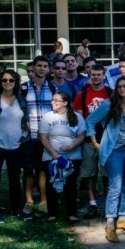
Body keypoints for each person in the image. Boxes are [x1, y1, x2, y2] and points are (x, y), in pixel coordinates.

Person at [85, 76, 125, 243]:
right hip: (114, 151)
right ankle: (110, 223)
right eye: (119, 86)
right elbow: (89, 122)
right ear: (116, 89)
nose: (123, 89)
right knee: (115, 186)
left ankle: (123, 218)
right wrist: (96, 142)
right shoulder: (108, 105)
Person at [0, 69, 30, 223]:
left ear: (15, 83)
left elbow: (24, 121)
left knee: (15, 179)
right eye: (4, 80)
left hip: (16, 145)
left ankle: (16, 209)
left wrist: (25, 136)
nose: (8, 83)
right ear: (0, 82)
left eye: (11, 80)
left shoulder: (21, 100)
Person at [73, 64, 112, 219]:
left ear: (104, 76)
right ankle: (92, 202)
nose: (96, 77)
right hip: (89, 141)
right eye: (93, 75)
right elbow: (80, 119)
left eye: (98, 75)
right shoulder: (82, 95)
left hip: (107, 139)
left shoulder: (110, 93)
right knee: (90, 173)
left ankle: (109, 200)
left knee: (108, 172)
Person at [39, 91, 85, 223]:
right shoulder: (48, 117)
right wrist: (55, 155)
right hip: (50, 155)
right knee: (51, 183)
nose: (52, 102)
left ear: (65, 103)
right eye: (53, 100)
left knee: (70, 184)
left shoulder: (77, 117)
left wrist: (72, 145)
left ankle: (72, 213)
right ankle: (52, 213)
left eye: (56, 100)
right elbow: (43, 137)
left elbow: (82, 136)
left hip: (73, 156)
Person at [21, 55, 55, 216]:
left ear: (48, 69)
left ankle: (44, 200)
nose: (42, 68)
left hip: (46, 137)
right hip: (28, 136)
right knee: (28, 170)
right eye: (39, 65)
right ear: (33, 68)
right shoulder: (23, 88)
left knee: (43, 170)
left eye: (45, 66)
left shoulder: (53, 88)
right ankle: (28, 201)